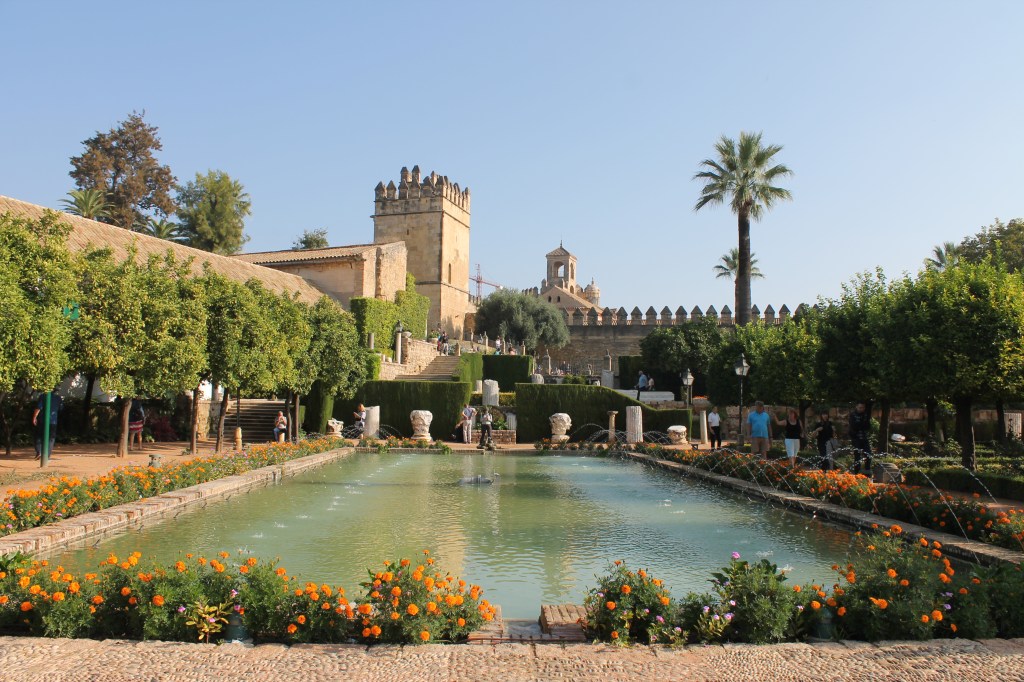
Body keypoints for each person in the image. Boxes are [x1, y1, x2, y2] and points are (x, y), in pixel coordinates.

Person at [32, 392, 63, 460]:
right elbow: (60, 408)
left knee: (38, 436)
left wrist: (34, 417)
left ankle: (39, 452)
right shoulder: (58, 398)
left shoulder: (43, 396)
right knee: (51, 439)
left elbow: (39, 407)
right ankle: (47, 455)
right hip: (53, 421)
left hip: (42, 420)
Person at [849, 402, 872, 474]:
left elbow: (867, 426)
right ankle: (856, 472)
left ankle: (867, 470)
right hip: (856, 438)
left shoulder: (865, 415)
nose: (861, 409)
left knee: (868, 454)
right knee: (857, 456)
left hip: (864, 437)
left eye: (863, 407)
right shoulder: (853, 415)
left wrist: (861, 424)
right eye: (860, 407)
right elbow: (854, 426)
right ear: (856, 407)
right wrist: (862, 424)